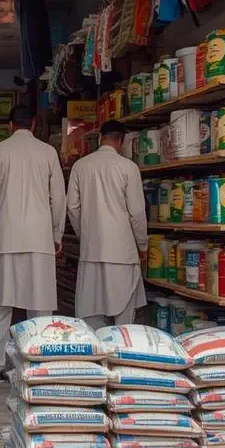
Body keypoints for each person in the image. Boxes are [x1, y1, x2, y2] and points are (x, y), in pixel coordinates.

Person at [0, 105, 67, 382]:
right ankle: (38, 362)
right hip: (39, 239)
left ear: (10, 125)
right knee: (40, 306)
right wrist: (56, 235)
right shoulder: (48, 152)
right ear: (35, 123)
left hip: (6, 239)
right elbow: (58, 198)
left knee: (2, 306)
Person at [66, 119, 148, 330]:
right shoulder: (128, 168)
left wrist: (85, 235)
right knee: (124, 319)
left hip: (91, 252)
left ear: (101, 137)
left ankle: (94, 359)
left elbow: (72, 207)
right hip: (122, 252)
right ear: (120, 141)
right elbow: (137, 213)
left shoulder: (80, 166)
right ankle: (121, 356)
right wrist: (142, 245)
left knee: (90, 315)